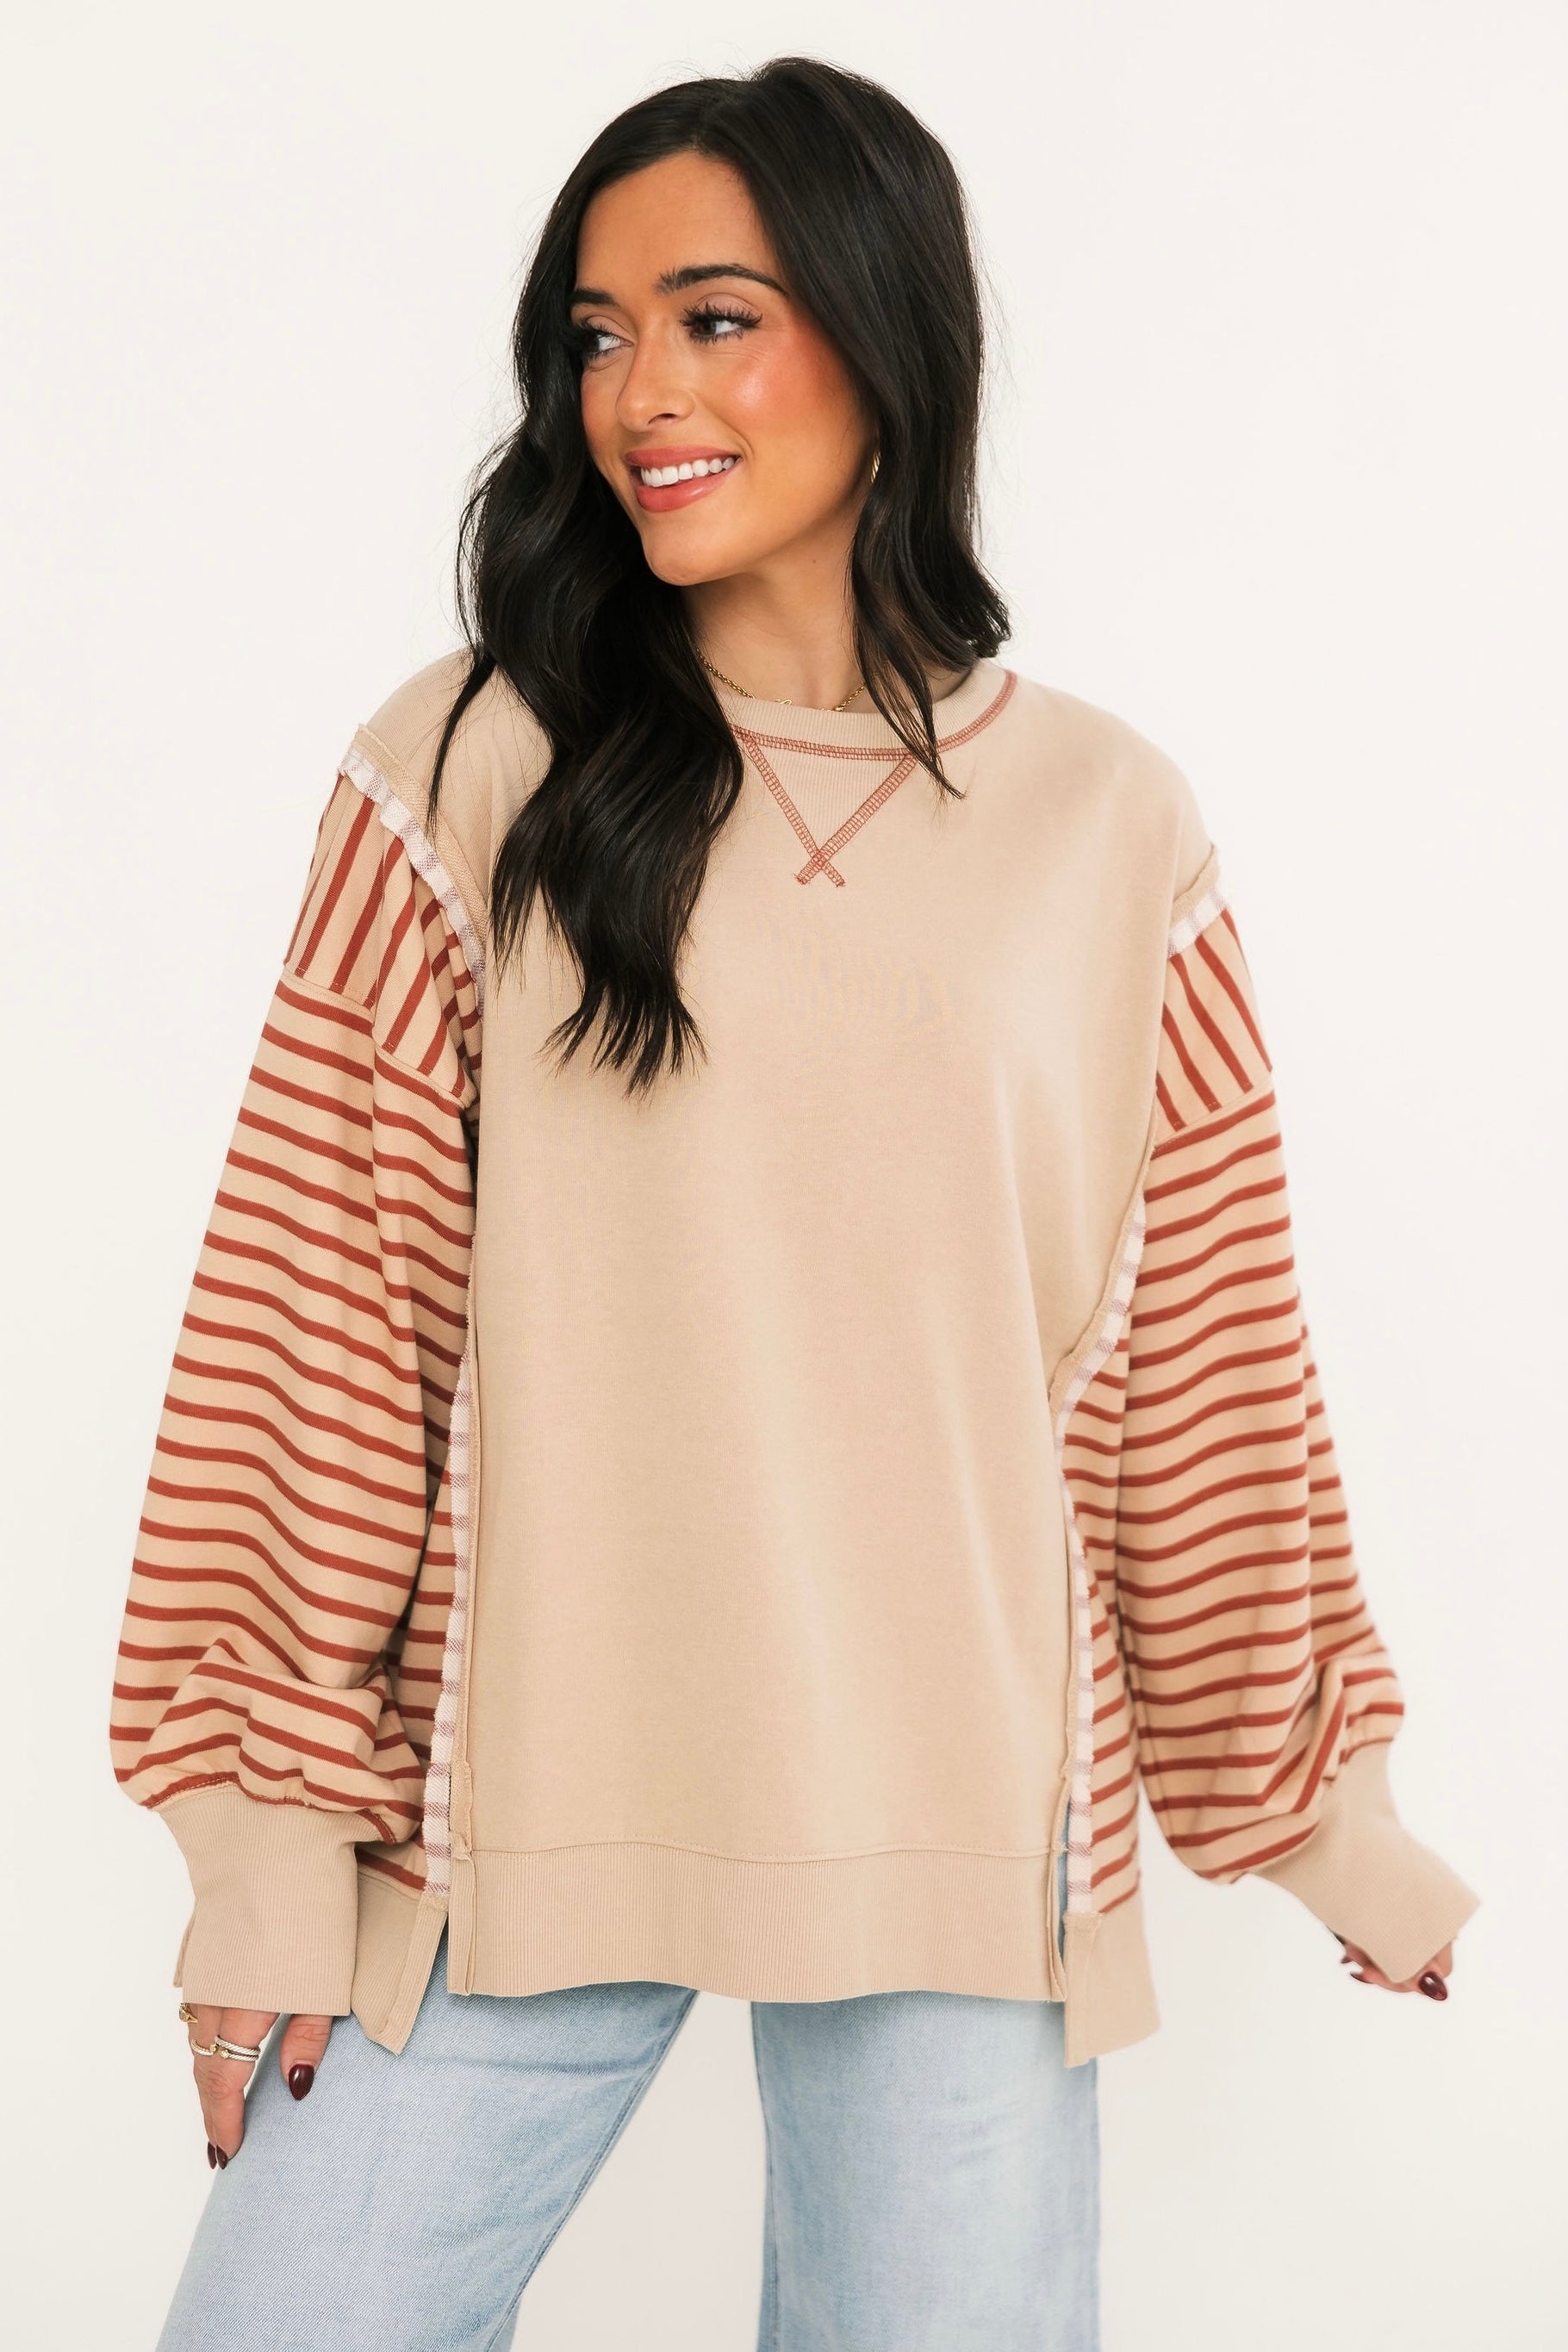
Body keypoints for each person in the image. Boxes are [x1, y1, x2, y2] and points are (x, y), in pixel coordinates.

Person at [111, 54, 1480, 2352]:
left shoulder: (1107, 829)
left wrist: (1321, 1812)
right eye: (596, 332)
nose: (638, 391)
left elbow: (1201, 1366)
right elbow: (318, 1321)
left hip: (963, 1834)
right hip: (506, 1821)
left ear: (883, 332)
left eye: (714, 318)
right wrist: (260, 1849)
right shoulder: (465, 769)